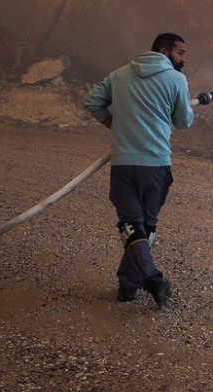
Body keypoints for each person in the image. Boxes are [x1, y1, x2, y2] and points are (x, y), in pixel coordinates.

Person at [83, 33, 194, 307]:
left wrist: (114, 125)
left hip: (123, 165)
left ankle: (128, 286)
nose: (184, 59)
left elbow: (91, 102)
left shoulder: (119, 75)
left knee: (132, 227)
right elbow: (183, 122)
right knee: (144, 226)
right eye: (180, 53)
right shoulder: (176, 80)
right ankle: (152, 279)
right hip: (155, 165)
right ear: (164, 51)